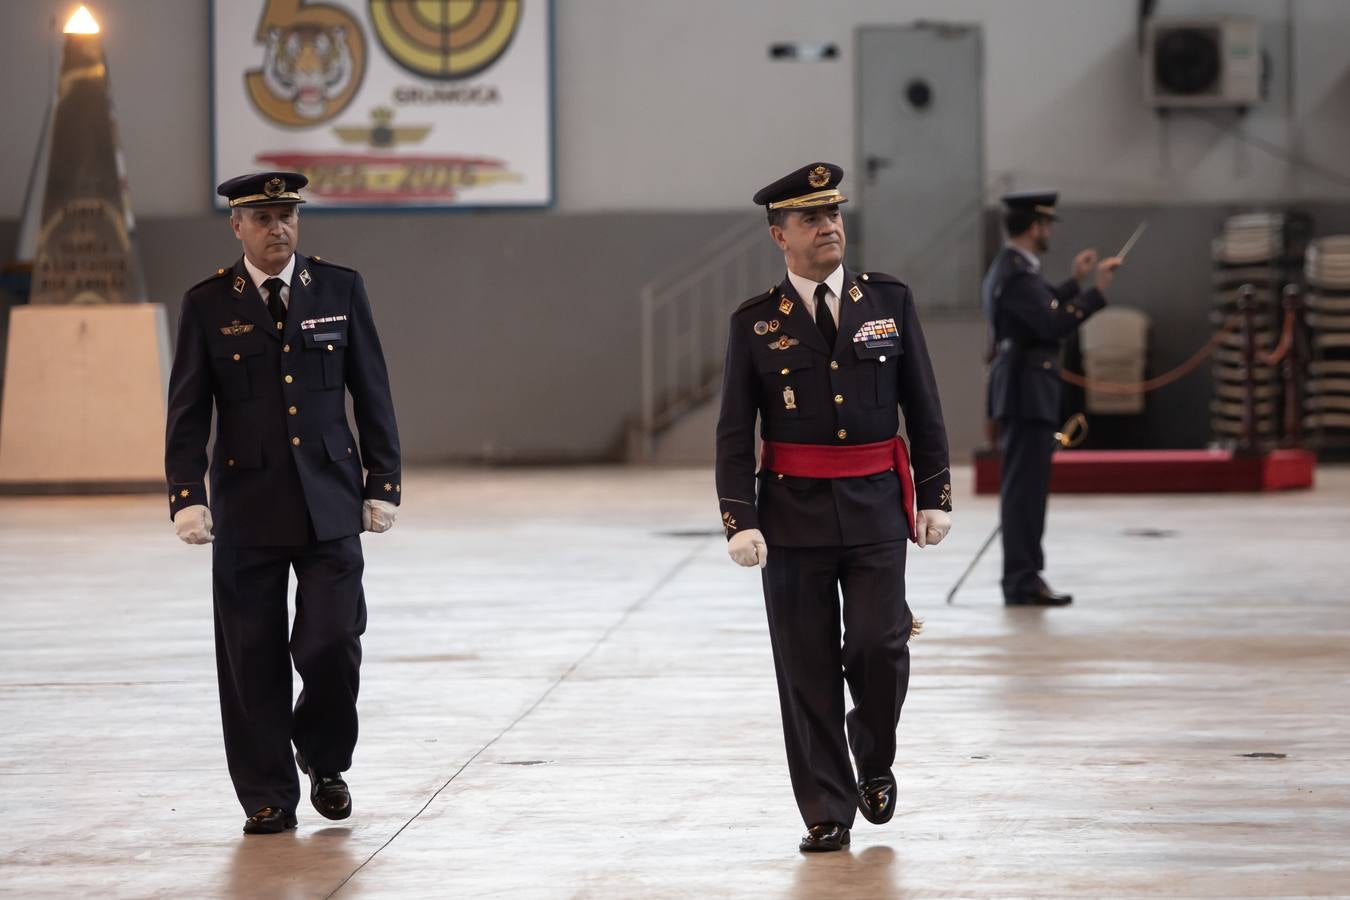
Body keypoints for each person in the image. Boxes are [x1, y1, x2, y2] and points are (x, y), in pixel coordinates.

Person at [715, 162, 952, 853]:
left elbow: (924, 406)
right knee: (806, 665)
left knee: (879, 647)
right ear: (779, 236)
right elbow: (735, 431)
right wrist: (741, 517)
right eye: (811, 219)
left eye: (834, 215)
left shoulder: (889, 302)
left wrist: (933, 494)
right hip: (791, 514)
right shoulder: (756, 324)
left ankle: (871, 755)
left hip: (878, 504)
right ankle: (827, 806)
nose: (829, 227)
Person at [164, 171, 401, 834]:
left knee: (331, 643)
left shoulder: (338, 288)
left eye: (287, 216)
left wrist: (384, 482)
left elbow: (371, 391)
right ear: (237, 226)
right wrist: (188, 495)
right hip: (246, 506)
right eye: (264, 218)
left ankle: (324, 760)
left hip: (329, 503)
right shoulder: (208, 303)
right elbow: (187, 410)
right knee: (250, 659)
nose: (279, 229)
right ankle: (267, 795)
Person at [983, 191, 1119, 606]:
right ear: (1034, 226)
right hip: (1027, 392)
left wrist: (1074, 282)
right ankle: (1023, 580)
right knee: (1025, 493)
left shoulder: (1016, 269)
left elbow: (1039, 309)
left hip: (1026, 389)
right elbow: (1050, 322)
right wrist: (1095, 292)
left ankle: (1024, 576)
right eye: (1046, 225)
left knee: (1027, 489)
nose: (1049, 232)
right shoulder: (1018, 272)